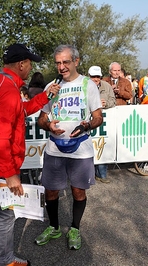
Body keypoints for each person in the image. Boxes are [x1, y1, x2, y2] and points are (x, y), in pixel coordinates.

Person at [0, 43, 60, 266]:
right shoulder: (7, 90)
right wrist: (11, 174)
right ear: (22, 64)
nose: (30, 66)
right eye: (29, 62)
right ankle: (4, 261)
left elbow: (21, 110)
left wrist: (44, 97)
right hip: (1, 164)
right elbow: (0, 139)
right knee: (6, 214)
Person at [35, 45, 103, 251]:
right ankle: (54, 227)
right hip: (54, 148)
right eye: (58, 63)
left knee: (78, 191)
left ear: (76, 61)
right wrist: (48, 126)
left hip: (81, 149)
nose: (61, 67)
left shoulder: (88, 84)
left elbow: (98, 117)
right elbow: (41, 119)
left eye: (65, 62)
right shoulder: (52, 86)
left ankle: (75, 228)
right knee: (51, 191)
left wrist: (87, 125)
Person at [88, 65, 114, 183]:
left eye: (98, 76)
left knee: (102, 145)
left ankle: (102, 174)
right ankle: (89, 175)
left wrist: (106, 104)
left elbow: (113, 101)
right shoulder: (84, 86)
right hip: (89, 121)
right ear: (89, 76)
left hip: (104, 123)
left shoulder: (107, 86)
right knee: (88, 147)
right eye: (93, 76)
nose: (96, 79)